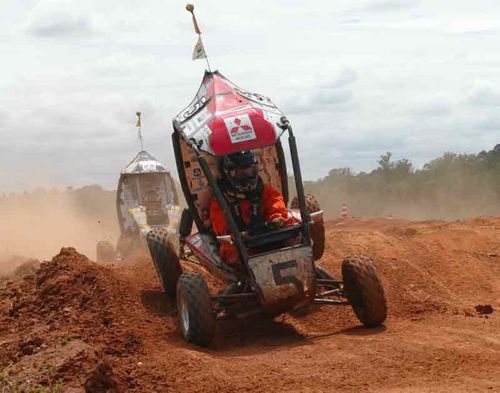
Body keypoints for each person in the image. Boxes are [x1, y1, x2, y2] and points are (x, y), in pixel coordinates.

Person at [209, 150, 293, 264]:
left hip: (266, 236)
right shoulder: (221, 199)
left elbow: (275, 202)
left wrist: (276, 217)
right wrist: (233, 233)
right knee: (230, 250)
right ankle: (246, 278)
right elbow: (219, 224)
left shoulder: (263, 190)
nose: (246, 176)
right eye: (240, 172)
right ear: (229, 173)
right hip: (240, 245)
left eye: (250, 171)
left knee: (292, 225)